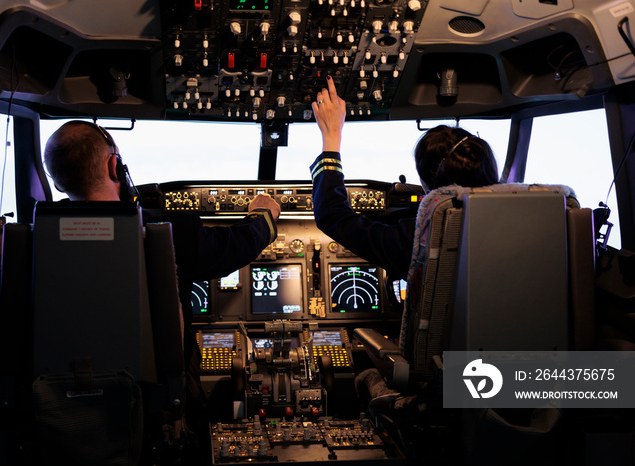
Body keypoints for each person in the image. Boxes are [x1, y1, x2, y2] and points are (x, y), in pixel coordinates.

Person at [43, 120, 281, 426]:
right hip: (160, 406)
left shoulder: (42, 240)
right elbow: (231, 248)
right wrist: (264, 217)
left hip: (67, 410)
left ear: (60, 183)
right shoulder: (165, 233)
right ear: (115, 166)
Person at [309, 76, 499, 279]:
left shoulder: (420, 238)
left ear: (428, 185)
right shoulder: (518, 221)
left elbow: (333, 215)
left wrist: (331, 136)